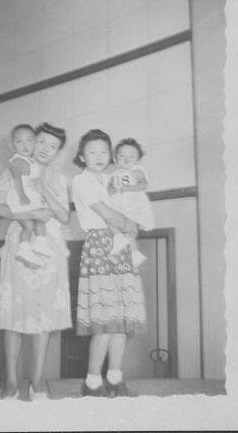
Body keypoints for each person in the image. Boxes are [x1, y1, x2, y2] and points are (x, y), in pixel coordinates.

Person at [0, 122, 72, 401]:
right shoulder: (12, 169)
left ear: (57, 151)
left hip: (50, 244)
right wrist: (32, 213)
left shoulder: (59, 178)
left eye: (53, 146)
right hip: (21, 241)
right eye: (42, 143)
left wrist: (45, 190)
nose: (46, 149)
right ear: (32, 142)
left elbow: (64, 217)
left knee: (44, 316)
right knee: (14, 313)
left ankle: (38, 381)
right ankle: (12, 382)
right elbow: (1, 209)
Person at [72, 129, 147, 398]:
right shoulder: (80, 182)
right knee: (104, 321)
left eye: (104, 151)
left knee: (122, 321)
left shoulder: (113, 178)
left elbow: (134, 201)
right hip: (100, 247)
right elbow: (106, 213)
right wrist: (128, 223)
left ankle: (115, 379)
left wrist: (133, 223)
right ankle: (92, 382)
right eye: (92, 151)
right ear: (82, 156)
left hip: (123, 245)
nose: (99, 156)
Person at [6, 124, 55, 267]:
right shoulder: (17, 161)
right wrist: (21, 195)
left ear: (35, 143)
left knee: (39, 221)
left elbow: (35, 183)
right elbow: (16, 180)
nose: (24, 145)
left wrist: (40, 195)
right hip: (20, 200)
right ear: (12, 145)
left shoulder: (32, 162)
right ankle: (24, 249)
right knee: (28, 226)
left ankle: (40, 243)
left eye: (29, 140)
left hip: (31, 199)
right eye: (19, 141)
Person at [107, 137, 155, 267]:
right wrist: (112, 187)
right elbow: (109, 190)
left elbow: (143, 185)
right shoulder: (114, 174)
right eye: (122, 156)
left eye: (131, 156)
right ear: (116, 159)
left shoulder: (137, 171)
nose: (126, 158)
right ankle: (129, 250)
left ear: (137, 159)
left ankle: (134, 253)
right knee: (119, 229)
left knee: (129, 231)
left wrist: (128, 188)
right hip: (119, 206)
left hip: (134, 206)